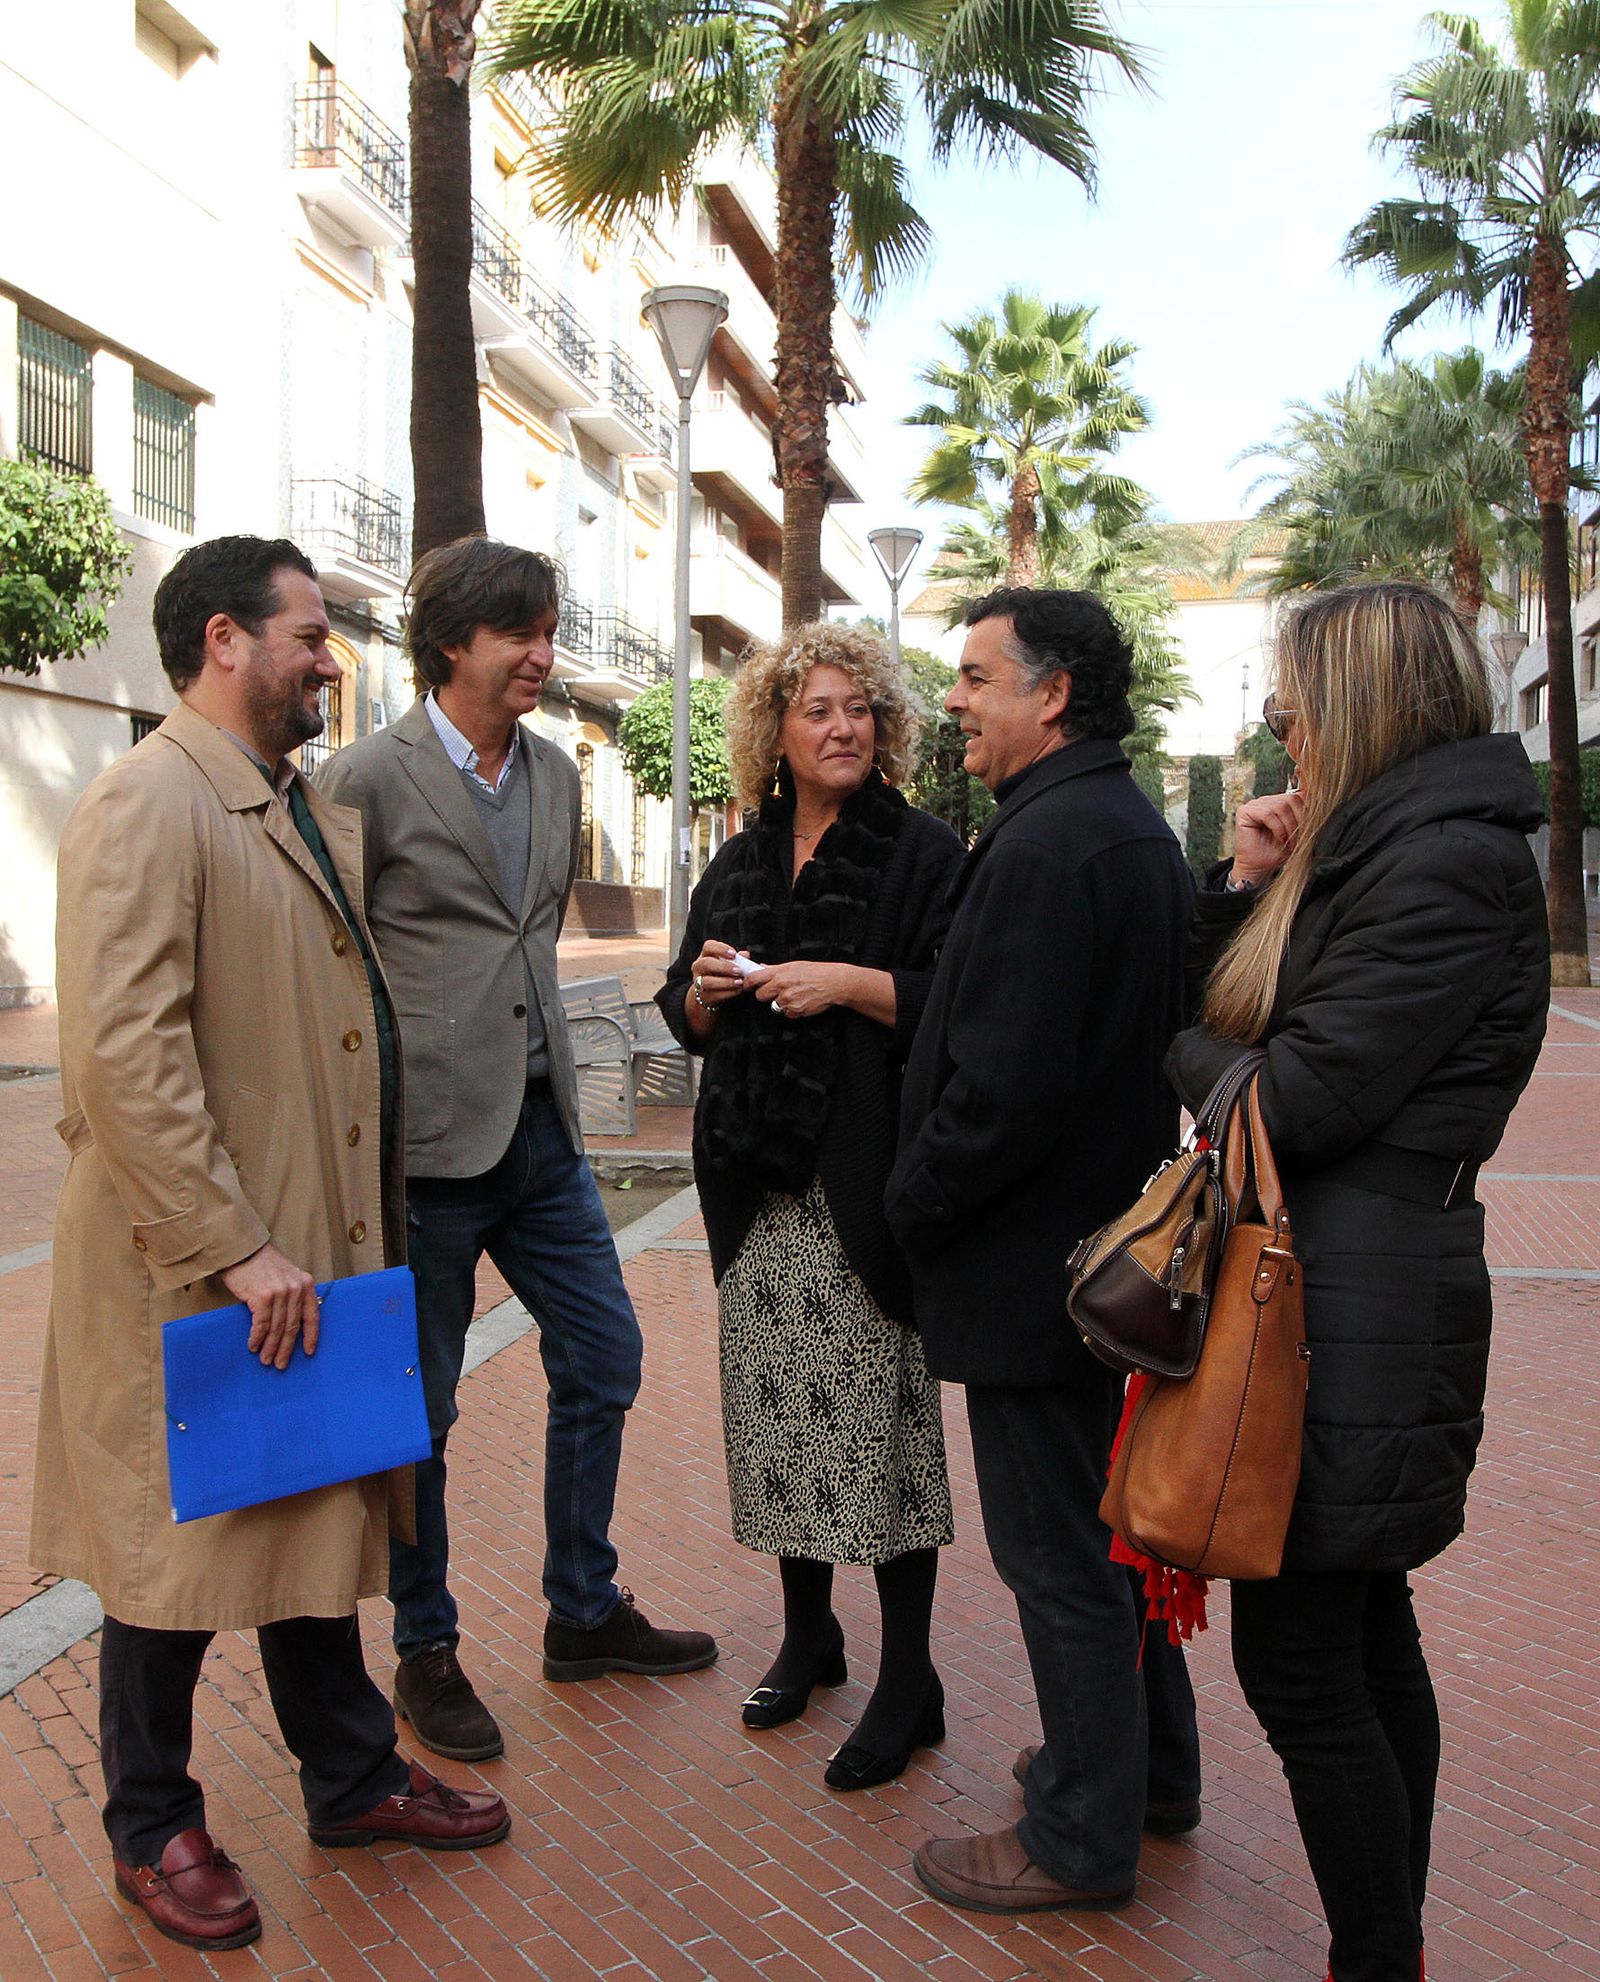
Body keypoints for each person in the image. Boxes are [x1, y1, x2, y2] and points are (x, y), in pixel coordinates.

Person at [30, 536, 509, 1954]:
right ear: (226, 639)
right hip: (200, 1258)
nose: (329, 656)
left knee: (299, 1508)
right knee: (173, 1552)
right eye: (308, 632)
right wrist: (234, 1246)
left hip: (300, 1244)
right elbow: (126, 1057)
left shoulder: (283, 801)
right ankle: (150, 1824)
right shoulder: (147, 802)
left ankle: (351, 1775)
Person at [1165, 581, 1549, 1982]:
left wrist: (1190, 1065)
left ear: (1370, 701)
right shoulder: (1388, 849)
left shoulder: (1440, 863)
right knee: (1363, 1631)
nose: (1281, 720)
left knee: (1305, 1665)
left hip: (1353, 1307)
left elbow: (1291, 1102)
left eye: (1300, 695)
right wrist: (1247, 885)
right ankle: (1385, 1945)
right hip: (1347, 1289)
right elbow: (1257, 1028)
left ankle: (1377, 1954)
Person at [319, 535, 714, 1763]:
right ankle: (425, 1647)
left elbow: (526, 936)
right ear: (454, 644)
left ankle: (581, 1606)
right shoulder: (360, 778)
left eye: (548, 630)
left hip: (542, 1135)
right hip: (427, 1144)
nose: (545, 655)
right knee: (420, 1409)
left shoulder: (553, 769)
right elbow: (334, 961)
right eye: (522, 634)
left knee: (605, 1352)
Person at [886, 586, 1202, 1913]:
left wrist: (912, 1200)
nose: (952, 698)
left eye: (975, 674)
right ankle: (1149, 1775)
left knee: (1061, 1561)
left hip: (1032, 1276)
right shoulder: (1118, 826)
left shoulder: (1051, 839)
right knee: (1106, 1540)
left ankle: (1079, 1832)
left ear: (1052, 692)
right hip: (1090, 1269)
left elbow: (1000, 1087)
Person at [656, 621, 964, 1790]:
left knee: (883, 1437)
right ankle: (809, 1635)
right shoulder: (737, 859)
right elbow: (684, 1006)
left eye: (859, 709)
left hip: (865, 1183)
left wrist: (852, 984)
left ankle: (911, 1677)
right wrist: (696, 993)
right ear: (774, 730)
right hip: (750, 1183)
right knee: (778, 1417)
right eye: (817, 709)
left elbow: (958, 1000)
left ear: (885, 725)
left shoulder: (926, 851)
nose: (841, 728)